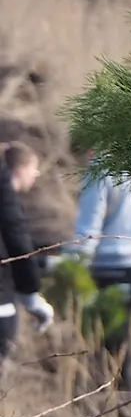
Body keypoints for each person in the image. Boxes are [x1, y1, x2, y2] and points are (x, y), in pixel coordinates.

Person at [69, 160, 131, 385]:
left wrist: (73, 270)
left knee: (109, 345)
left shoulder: (102, 169)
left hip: (109, 268)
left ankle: (110, 401)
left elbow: (88, 229)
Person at [0, 143, 54, 367]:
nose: (36, 175)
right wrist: (31, 294)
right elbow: (17, 242)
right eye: (34, 169)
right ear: (20, 169)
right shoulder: (4, 193)